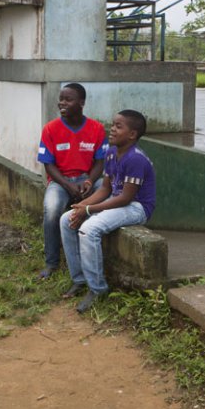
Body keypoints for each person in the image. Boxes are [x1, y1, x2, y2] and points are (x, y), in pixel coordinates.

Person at [60, 109, 156, 313]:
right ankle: (79, 279)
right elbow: (105, 189)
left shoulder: (136, 159)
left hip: (137, 207)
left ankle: (97, 289)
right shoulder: (111, 152)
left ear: (132, 134)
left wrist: (88, 209)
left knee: (89, 229)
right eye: (112, 124)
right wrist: (81, 207)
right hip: (117, 201)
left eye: (118, 126)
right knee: (65, 220)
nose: (111, 129)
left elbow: (126, 198)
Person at [37, 83, 106, 279]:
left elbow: (100, 162)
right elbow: (48, 165)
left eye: (68, 99)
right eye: (61, 99)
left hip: (87, 180)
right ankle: (51, 262)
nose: (62, 103)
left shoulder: (97, 128)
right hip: (60, 181)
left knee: (107, 191)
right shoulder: (50, 129)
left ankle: (92, 249)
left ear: (81, 103)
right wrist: (68, 184)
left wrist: (90, 181)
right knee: (51, 210)